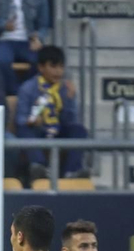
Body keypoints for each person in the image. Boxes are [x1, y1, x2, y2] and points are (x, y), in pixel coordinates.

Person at [13, 45, 88, 182]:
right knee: (24, 131)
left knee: (79, 130)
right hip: (37, 130)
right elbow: (20, 119)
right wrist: (32, 121)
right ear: (41, 68)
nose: (58, 72)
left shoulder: (66, 88)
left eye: (61, 67)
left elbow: (70, 121)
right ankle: (40, 168)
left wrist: (69, 100)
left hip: (58, 130)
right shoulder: (27, 88)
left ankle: (71, 172)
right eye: (53, 66)